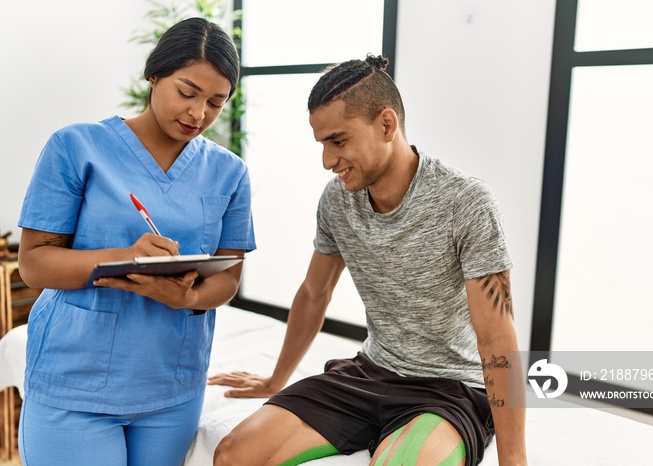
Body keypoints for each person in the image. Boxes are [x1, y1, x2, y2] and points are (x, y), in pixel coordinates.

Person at [209, 54, 527, 466]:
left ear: (387, 124)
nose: (327, 160)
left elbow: (497, 340)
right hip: (369, 373)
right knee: (233, 455)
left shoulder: (466, 202)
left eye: (338, 141)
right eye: (322, 143)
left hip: (449, 388)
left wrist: (514, 461)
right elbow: (314, 291)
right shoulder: (338, 201)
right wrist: (276, 378)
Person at [16, 17, 256, 466]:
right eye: (187, 92)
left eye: (216, 103)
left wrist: (187, 296)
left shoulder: (230, 172)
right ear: (154, 74)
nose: (197, 114)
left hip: (172, 390)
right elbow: (34, 264)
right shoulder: (75, 147)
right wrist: (122, 257)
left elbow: (229, 276)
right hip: (75, 383)